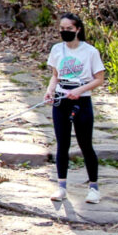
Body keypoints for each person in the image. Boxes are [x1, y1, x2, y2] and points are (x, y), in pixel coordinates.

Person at [45, 13, 106, 204]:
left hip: (82, 102)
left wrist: (80, 90)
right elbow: (55, 74)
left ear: (78, 29)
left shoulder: (90, 52)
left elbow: (99, 79)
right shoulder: (57, 49)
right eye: (62, 29)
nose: (65, 32)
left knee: (85, 144)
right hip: (61, 100)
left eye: (69, 29)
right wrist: (50, 90)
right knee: (62, 144)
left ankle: (94, 188)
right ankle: (61, 186)